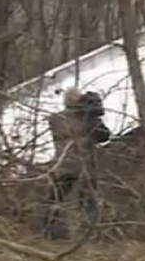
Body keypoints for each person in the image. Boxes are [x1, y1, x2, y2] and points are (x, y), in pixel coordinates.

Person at [43, 88, 111, 239]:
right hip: (85, 165)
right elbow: (104, 135)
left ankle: (49, 231)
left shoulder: (56, 119)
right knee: (88, 201)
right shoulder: (86, 119)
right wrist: (93, 114)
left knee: (55, 199)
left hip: (62, 165)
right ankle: (90, 234)